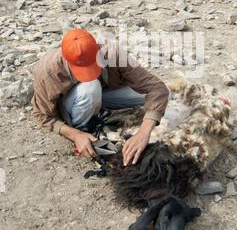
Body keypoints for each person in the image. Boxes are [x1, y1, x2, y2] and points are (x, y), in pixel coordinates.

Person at [32, 29, 169, 166]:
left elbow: (157, 88)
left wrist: (143, 133)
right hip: (77, 101)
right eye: (82, 70)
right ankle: (86, 133)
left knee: (153, 95)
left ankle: (99, 111)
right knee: (90, 87)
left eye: (92, 65)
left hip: (103, 94)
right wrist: (75, 135)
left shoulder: (112, 53)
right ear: (66, 60)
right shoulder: (48, 71)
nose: (89, 73)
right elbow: (42, 115)